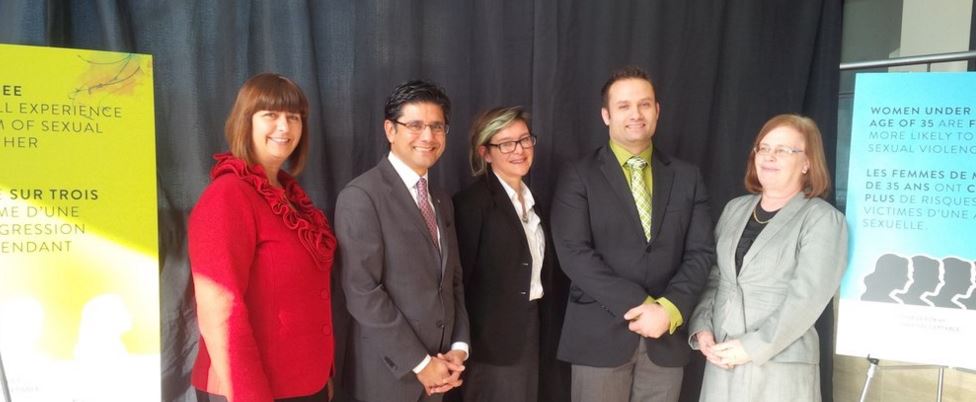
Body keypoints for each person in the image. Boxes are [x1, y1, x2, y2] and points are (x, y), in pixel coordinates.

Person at [551, 65, 715, 402]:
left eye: (644, 104)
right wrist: (642, 306)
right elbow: (573, 253)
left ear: (657, 110)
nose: (636, 114)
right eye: (624, 106)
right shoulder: (578, 175)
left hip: (666, 338)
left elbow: (700, 253)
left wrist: (668, 310)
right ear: (606, 115)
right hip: (599, 338)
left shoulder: (688, 176)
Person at [188, 73, 338, 402]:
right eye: (271, 114)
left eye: (294, 117)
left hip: (302, 384)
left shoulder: (289, 196)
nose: (284, 127)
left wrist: (318, 376)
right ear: (246, 121)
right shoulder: (227, 196)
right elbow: (220, 310)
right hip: (249, 390)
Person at [688, 114, 848, 402]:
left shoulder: (823, 219)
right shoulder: (735, 209)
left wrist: (751, 347)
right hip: (722, 359)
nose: (770, 156)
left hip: (779, 368)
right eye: (764, 148)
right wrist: (702, 328)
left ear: (807, 162)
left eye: (783, 150)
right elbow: (715, 277)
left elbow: (806, 300)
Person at [335, 80, 470, 402]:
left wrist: (458, 348)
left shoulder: (441, 200)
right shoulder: (361, 196)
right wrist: (421, 364)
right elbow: (362, 292)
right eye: (415, 125)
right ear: (390, 130)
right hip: (389, 378)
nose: (428, 136)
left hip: (441, 372)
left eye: (437, 127)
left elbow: (452, 280)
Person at [450, 106, 569, 402]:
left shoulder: (534, 201)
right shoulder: (471, 205)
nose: (519, 150)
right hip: (492, 346)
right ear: (485, 153)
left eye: (525, 139)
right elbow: (458, 283)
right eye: (506, 143)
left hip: (536, 331)